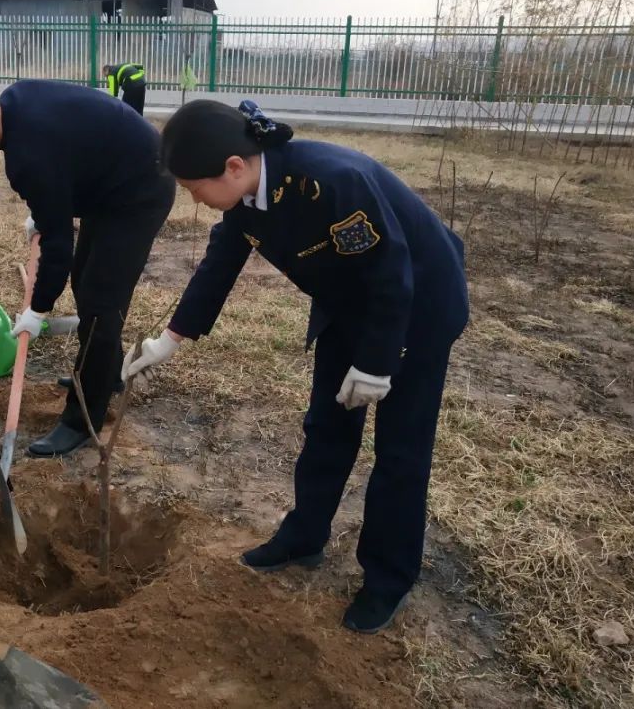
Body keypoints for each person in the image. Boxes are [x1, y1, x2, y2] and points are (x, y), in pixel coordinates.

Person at [123, 100, 469, 634]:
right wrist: (169, 340)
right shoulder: (244, 199)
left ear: (234, 166)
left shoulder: (333, 181)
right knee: (327, 425)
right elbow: (220, 264)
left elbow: (391, 272)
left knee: (400, 449)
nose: (193, 200)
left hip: (418, 306)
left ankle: (387, 579)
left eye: (195, 189)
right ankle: (304, 537)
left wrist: (378, 363)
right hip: (349, 304)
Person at [0, 77, 174, 456]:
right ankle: (106, 375)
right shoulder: (16, 105)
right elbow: (65, 164)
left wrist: (37, 309)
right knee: (85, 283)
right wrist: (45, 211)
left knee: (100, 304)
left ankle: (81, 419)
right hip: (110, 182)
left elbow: (59, 245)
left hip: (140, 189)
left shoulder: (28, 154)